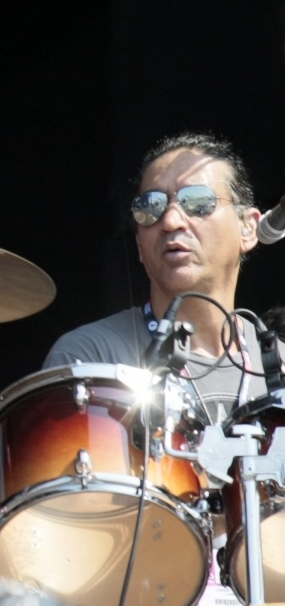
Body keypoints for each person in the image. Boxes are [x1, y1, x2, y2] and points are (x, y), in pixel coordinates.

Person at [45, 131, 264, 421]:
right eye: (150, 206)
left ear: (248, 228)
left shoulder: (280, 363)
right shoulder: (89, 358)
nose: (170, 221)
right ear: (139, 245)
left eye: (197, 201)